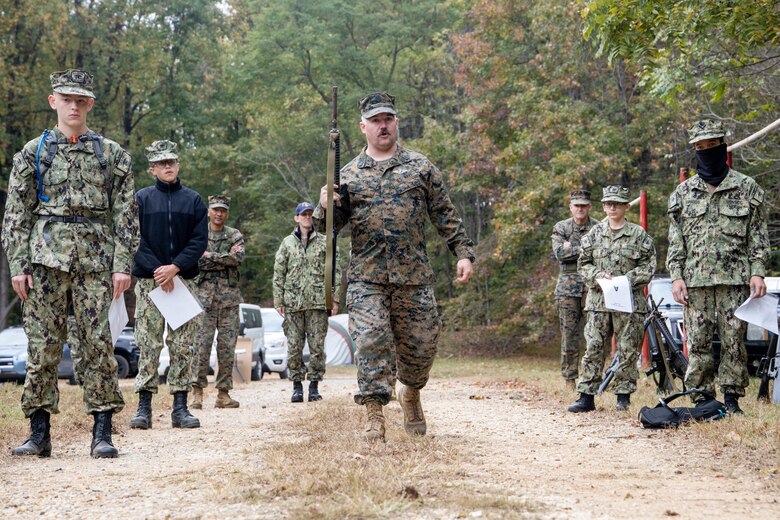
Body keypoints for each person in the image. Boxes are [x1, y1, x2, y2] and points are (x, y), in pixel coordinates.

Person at [314, 92, 475, 441]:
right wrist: (325, 206)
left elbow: (445, 214)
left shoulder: (421, 167)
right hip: (366, 278)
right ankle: (374, 412)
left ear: (396, 123)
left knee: (421, 347)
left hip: (414, 277)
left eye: (387, 118)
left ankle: (411, 392)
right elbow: (328, 227)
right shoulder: (348, 174)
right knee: (371, 340)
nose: (382, 125)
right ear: (363, 127)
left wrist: (462, 252)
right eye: (375, 120)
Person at [2, 69, 138, 458]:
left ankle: (102, 432)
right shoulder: (34, 152)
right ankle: (39, 432)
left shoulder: (111, 155)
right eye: (67, 99)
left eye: (81, 100)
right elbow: (16, 214)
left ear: (90, 104)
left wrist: (122, 264)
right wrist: (18, 264)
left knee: (97, 345)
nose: (74, 106)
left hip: (96, 262)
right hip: (44, 263)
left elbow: (126, 215)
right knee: (42, 346)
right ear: (54, 101)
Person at [667, 119, 769, 414]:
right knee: (697, 341)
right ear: (694, 151)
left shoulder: (747, 188)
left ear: (722, 147)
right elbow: (676, 243)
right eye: (700, 147)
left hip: (735, 281)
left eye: (712, 146)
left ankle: (733, 399)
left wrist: (758, 271)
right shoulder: (683, 194)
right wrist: (676, 277)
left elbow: (758, 238)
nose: (706, 151)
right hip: (695, 282)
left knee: (733, 341)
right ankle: (702, 398)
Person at [129, 140, 208, 430]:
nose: (168, 167)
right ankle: (144, 407)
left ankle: (180, 407)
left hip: (182, 282)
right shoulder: (141, 199)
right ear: (152, 168)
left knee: (183, 345)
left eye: (171, 161)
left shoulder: (194, 201)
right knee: (148, 343)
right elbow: (134, 239)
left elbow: (199, 241)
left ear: (178, 164)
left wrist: (175, 268)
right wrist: (158, 271)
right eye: (161, 163)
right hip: (150, 283)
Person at [567, 185, 656, 413]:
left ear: (627, 206)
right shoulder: (594, 235)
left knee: (627, 349)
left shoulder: (638, 235)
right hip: (599, 301)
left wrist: (627, 279)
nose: (612, 207)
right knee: (594, 347)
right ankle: (586, 396)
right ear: (603, 206)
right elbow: (583, 264)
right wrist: (597, 276)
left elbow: (649, 265)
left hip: (629, 303)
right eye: (608, 203)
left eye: (617, 203)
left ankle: (623, 396)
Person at [273, 202, 340, 403]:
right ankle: (296, 386)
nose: (307, 217)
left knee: (317, 347)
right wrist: (278, 299)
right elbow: (279, 271)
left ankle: (313, 386)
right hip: (293, 303)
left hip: (318, 302)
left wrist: (334, 299)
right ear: (296, 218)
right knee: (294, 347)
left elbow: (335, 270)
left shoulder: (324, 242)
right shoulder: (287, 243)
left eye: (310, 214)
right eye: (303, 214)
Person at [191, 194, 245, 409]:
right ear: (209, 211)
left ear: (227, 213)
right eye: (215, 209)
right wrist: (223, 258)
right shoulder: (198, 233)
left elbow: (237, 259)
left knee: (226, 348)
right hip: (203, 300)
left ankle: (223, 394)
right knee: (201, 347)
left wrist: (210, 256)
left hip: (229, 301)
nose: (219, 213)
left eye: (222, 210)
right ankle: (197, 393)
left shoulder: (234, 234)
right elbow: (195, 259)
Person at [551, 189, 598, 390]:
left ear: (589, 206)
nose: (580, 208)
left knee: (595, 333)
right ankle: (570, 378)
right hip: (567, 289)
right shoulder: (561, 227)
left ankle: (593, 377)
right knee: (569, 335)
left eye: (583, 205)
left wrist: (573, 247)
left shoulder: (598, 227)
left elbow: (602, 252)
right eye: (576, 205)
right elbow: (560, 253)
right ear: (571, 207)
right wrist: (587, 248)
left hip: (592, 286)